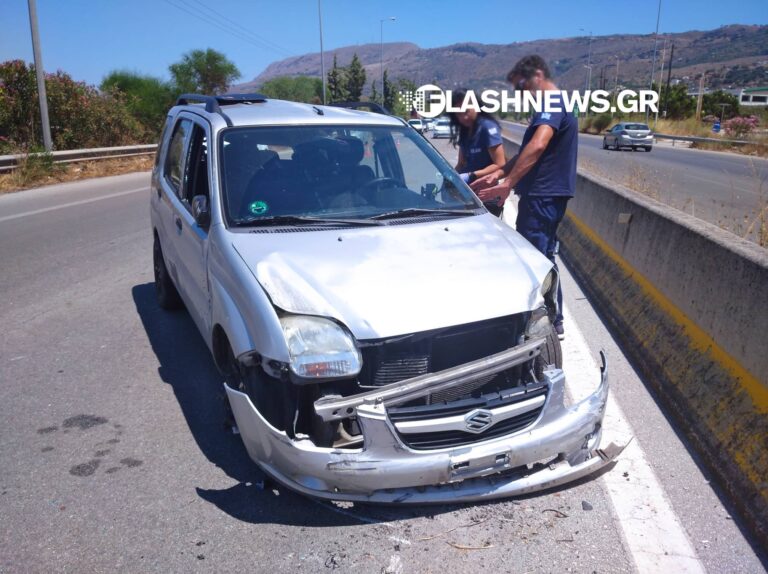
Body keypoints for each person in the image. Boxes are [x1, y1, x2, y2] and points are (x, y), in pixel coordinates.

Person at [470, 55, 577, 339]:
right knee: (542, 255)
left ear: (538, 76)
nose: (522, 94)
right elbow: (527, 151)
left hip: (543, 194)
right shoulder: (552, 104)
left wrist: (509, 184)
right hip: (544, 193)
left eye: (522, 87)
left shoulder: (551, 103)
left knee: (536, 258)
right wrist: (501, 173)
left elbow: (539, 145)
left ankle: (549, 323)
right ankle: (554, 319)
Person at [448, 90, 506, 215]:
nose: (463, 117)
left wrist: (471, 175)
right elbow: (462, 163)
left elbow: (500, 164)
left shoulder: (487, 127)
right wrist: (450, 178)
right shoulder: (465, 131)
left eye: (466, 112)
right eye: (458, 114)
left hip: (486, 195)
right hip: (466, 195)